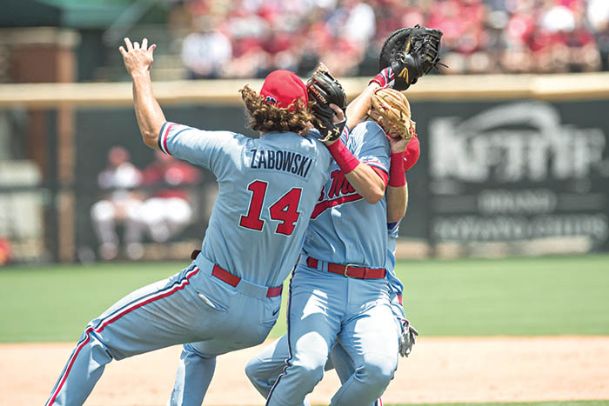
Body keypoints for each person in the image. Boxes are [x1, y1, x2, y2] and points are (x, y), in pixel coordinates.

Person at [45, 37, 338, 406]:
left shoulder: (233, 149)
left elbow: (155, 132)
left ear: (259, 108)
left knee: (97, 337)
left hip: (210, 293)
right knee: (198, 350)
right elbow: (340, 131)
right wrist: (381, 82)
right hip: (262, 316)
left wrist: (139, 73)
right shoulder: (321, 156)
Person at [247, 75, 418, 406]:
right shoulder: (306, 151)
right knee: (269, 369)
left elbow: (374, 187)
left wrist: (359, 127)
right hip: (320, 282)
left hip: (370, 291)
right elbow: (338, 130)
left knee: (375, 370)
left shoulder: (369, 149)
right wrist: (382, 78)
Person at [89, 146, 144, 260]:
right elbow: (103, 195)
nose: (115, 159)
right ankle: (109, 246)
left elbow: (139, 193)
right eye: (113, 157)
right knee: (99, 211)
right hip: (112, 205)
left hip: (129, 203)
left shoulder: (132, 172)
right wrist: (115, 206)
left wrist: (124, 205)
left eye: (118, 156)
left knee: (136, 212)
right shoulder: (105, 174)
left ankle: (133, 245)